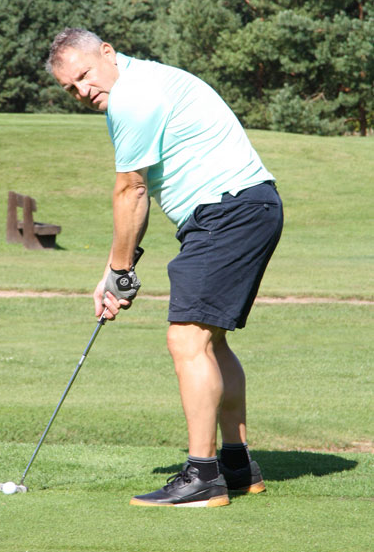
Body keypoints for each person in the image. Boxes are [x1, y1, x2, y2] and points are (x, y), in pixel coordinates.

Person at [46, 27, 283, 508]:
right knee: (210, 341)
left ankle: (203, 477)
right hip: (248, 207)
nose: (83, 91)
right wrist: (117, 268)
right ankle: (236, 467)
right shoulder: (147, 81)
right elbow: (139, 196)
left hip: (226, 211)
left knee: (186, 340)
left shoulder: (131, 98)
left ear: (107, 53)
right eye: (71, 88)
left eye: (85, 76)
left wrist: (119, 273)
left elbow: (131, 190)